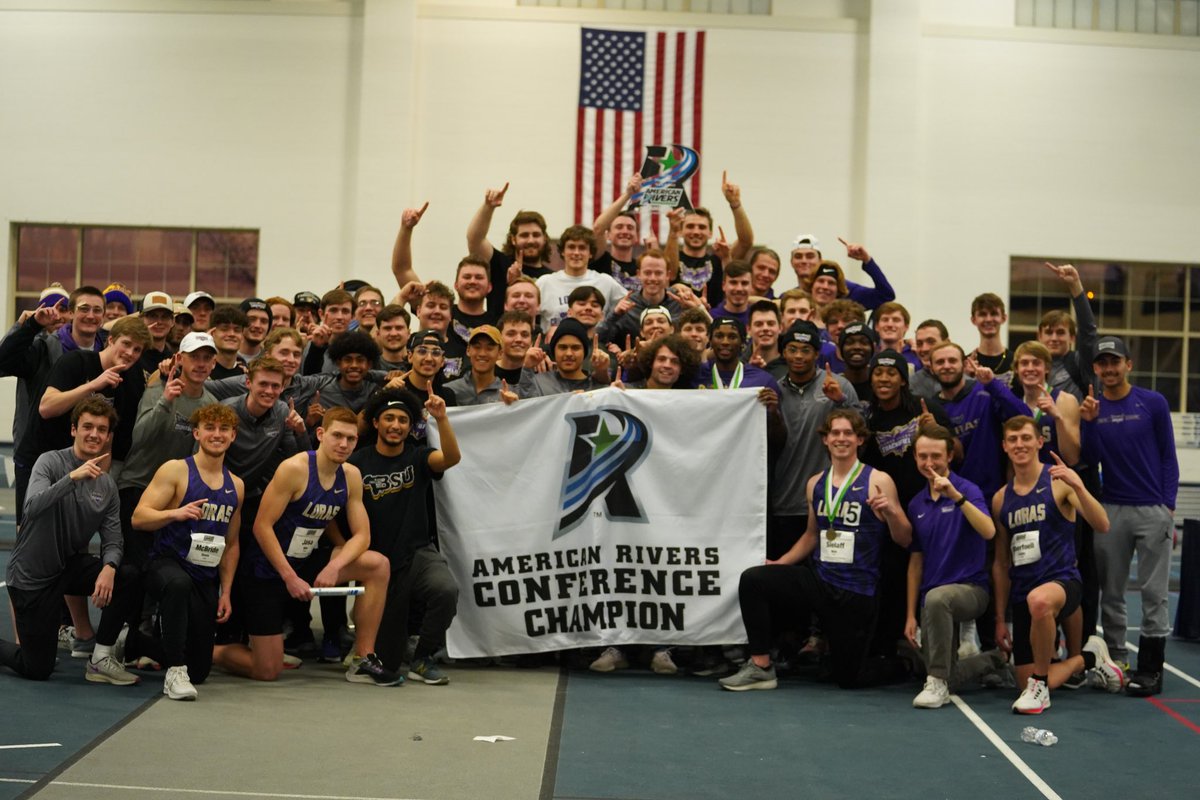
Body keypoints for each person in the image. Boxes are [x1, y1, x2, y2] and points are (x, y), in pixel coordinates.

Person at [720, 409, 911, 691]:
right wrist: (780, 563)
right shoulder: (815, 484)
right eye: (835, 433)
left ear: (860, 440)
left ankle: (903, 663)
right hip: (819, 582)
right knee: (754, 580)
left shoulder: (878, 480)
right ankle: (761, 666)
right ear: (825, 439)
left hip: (856, 591)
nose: (841, 438)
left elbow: (905, 539)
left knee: (848, 679)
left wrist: (893, 512)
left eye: (848, 433)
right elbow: (812, 535)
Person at [212, 408, 400, 686]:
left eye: (350, 439)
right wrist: (288, 577)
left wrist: (335, 566)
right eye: (337, 436)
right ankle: (202, 650)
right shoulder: (294, 469)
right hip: (266, 569)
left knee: (377, 564)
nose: (343, 444)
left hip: (306, 560)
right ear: (321, 435)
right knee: (267, 670)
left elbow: (362, 536)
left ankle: (363, 658)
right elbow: (261, 527)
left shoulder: (351, 475)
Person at [0, 398, 138, 685]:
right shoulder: (50, 462)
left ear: (108, 436)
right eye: (87, 427)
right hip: (32, 577)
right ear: (74, 429)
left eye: (102, 429)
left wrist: (109, 567)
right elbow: (32, 507)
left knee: (127, 574)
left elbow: (113, 539)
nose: (94, 434)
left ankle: (100, 657)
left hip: (68, 568)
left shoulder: (107, 485)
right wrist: (72, 478)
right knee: (37, 667)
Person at [992, 416, 1120, 714]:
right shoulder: (1001, 499)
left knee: (1040, 600)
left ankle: (1040, 687)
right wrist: (1000, 617)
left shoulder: (1059, 481)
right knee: (1020, 679)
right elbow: (1000, 563)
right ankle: (1088, 657)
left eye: (1026, 437)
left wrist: (1080, 485)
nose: (1019, 444)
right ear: (1005, 446)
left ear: (1039, 442)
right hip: (1024, 590)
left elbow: (1102, 524)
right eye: (1013, 439)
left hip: (1063, 582)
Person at [1080, 336, 1179, 696]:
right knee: (1112, 593)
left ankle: (1151, 670)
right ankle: (1118, 661)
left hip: (1152, 509)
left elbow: (1168, 456)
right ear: (1095, 368)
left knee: (1155, 593)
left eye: (1115, 362)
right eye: (1102, 363)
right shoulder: (1092, 407)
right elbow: (1090, 458)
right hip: (1111, 511)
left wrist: (1167, 505)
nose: (1109, 369)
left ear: (1128, 364)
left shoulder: (1152, 403)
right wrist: (1089, 422)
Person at [130, 403, 244, 700]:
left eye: (223, 429)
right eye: (209, 428)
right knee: (178, 584)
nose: (216, 435)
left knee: (201, 671)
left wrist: (227, 592)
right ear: (197, 433)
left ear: (233, 435)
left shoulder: (237, 486)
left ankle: (133, 642)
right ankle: (174, 672)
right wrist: (175, 514)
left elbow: (231, 544)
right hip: (166, 564)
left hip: (204, 574)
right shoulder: (176, 470)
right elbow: (139, 518)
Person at [350, 389, 461, 683]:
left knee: (446, 590)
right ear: (376, 423)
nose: (396, 425)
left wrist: (442, 418)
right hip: (378, 564)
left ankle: (423, 657)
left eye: (403, 420)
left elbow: (451, 458)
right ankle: (365, 644)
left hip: (418, 554)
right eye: (389, 418)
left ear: (410, 427)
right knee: (388, 659)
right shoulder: (357, 463)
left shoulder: (419, 456)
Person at [905, 424, 1006, 708]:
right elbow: (916, 562)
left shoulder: (966, 489)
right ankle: (994, 660)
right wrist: (910, 615)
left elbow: (988, 531)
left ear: (949, 456)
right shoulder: (916, 504)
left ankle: (936, 684)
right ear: (914, 457)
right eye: (922, 456)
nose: (929, 463)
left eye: (936, 456)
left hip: (970, 591)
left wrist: (956, 497)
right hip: (932, 599)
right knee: (939, 668)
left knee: (938, 599)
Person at [769, 321, 857, 559]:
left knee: (829, 577)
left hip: (831, 502)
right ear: (783, 352)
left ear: (817, 354)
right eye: (792, 349)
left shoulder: (840, 386)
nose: (799, 356)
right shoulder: (773, 391)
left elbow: (861, 434)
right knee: (788, 580)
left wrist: (840, 400)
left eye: (806, 350)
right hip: (784, 502)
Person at [466, 182, 553, 313]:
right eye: (524, 235)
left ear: (544, 238)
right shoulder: (500, 264)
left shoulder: (552, 278)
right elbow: (475, 240)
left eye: (536, 235)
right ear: (513, 239)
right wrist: (488, 207)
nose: (530, 240)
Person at [676, 171, 754, 305]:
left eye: (701, 227)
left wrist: (735, 204)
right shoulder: (672, 259)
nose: (696, 231)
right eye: (690, 226)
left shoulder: (719, 258)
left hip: (715, 321)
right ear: (680, 231)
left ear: (710, 233)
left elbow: (746, 241)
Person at [536, 226, 625, 333]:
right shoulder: (545, 283)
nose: (576, 253)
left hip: (596, 347)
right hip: (552, 348)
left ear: (590, 253)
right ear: (563, 251)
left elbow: (631, 307)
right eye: (571, 247)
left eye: (582, 248)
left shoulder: (606, 282)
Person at [517, 319, 611, 398]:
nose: (569, 353)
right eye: (563, 347)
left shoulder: (599, 389)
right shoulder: (539, 383)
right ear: (554, 351)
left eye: (575, 348)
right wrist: (526, 367)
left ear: (584, 352)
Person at [590, 174, 645, 290]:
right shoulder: (601, 259)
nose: (625, 231)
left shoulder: (642, 266)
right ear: (608, 235)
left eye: (630, 228)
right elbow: (598, 228)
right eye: (619, 227)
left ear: (636, 236)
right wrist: (628, 194)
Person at [445, 326, 519, 406]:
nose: (482, 354)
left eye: (489, 348)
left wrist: (514, 407)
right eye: (477, 347)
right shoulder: (449, 390)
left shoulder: (511, 394)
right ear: (468, 350)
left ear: (500, 354)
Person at [967, 293, 1013, 382]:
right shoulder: (966, 365)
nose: (988, 319)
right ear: (973, 320)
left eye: (994, 314)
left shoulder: (1016, 362)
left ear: (1004, 318)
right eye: (982, 314)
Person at [208, 305, 248, 379]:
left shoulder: (247, 375)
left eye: (237, 330)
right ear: (212, 333)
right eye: (224, 329)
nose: (231, 334)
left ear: (242, 336)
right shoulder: (203, 372)